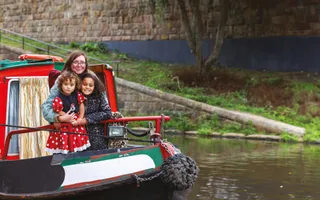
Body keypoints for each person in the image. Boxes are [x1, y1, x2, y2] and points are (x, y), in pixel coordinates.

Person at [45, 71, 90, 154]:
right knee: (65, 139)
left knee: (77, 141)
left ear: (75, 85)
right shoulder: (58, 97)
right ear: (61, 85)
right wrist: (66, 117)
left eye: (71, 85)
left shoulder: (77, 95)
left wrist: (80, 118)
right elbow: (58, 110)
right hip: (65, 121)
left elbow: (81, 105)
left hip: (76, 121)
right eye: (66, 84)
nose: (68, 87)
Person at [42, 51, 89, 124]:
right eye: (75, 62)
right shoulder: (62, 78)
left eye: (82, 62)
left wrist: (84, 120)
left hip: (87, 126)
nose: (79, 65)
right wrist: (58, 118)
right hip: (66, 127)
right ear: (70, 64)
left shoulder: (91, 79)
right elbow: (46, 106)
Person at [80, 72, 112, 150]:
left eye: (90, 85)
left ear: (94, 86)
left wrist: (87, 119)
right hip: (78, 137)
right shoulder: (74, 96)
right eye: (84, 84)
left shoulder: (99, 96)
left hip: (97, 137)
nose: (87, 87)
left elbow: (107, 112)